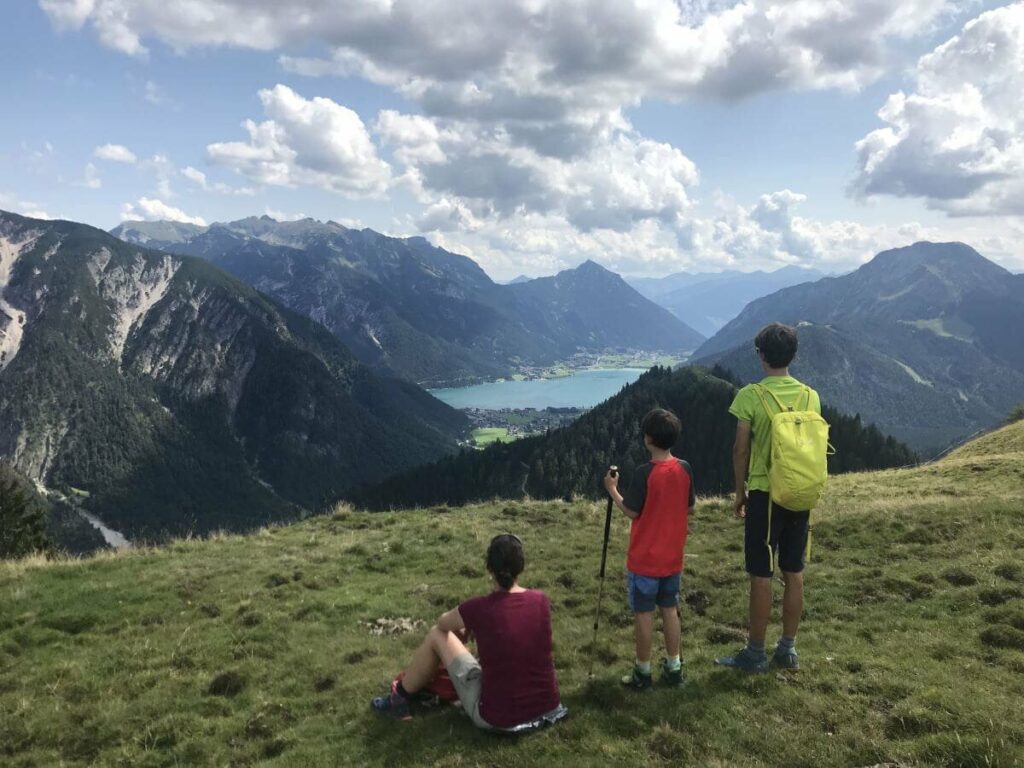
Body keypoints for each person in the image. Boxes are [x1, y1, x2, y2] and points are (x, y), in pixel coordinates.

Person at [371, 533, 566, 731]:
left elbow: (443, 623)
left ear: (490, 568)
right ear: (520, 567)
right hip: (548, 708)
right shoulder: (540, 600)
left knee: (436, 635)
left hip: (500, 718)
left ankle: (400, 696)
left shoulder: (478, 608)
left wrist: (470, 625)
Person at [715, 322, 820, 673]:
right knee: (794, 570)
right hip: (800, 492)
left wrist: (740, 492)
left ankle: (755, 653)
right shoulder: (810, 395)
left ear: (761, 356)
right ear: (794, 354)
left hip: (764, 492)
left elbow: (739, 451)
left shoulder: (750, 396)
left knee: (761, 573)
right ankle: (788, 649)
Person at [603, 408, 695, 689]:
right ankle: (674, 666)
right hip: (672, 557)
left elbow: (631, 511)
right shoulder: (684, 468)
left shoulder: (645, 473)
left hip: (645, 559)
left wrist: (612, 489)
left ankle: (643, 672)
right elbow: (689, 506)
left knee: (644, 613)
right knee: (670, 609)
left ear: (648, 439)